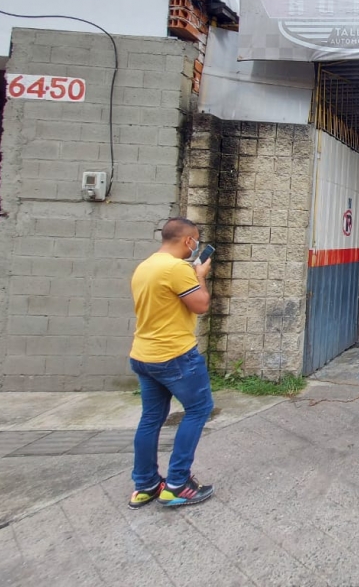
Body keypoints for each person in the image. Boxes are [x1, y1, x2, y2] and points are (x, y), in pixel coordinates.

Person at [127, 217, 215, 509]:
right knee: (199, 409)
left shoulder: (146, 266)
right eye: (196, 240)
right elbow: (201, 305)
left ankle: (146, 484)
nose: (197, 245)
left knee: (151, 418)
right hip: (174, 355)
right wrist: (200, 275)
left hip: (143, 355)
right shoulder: (177, 269)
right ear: (188, 241)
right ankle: (177, 483)